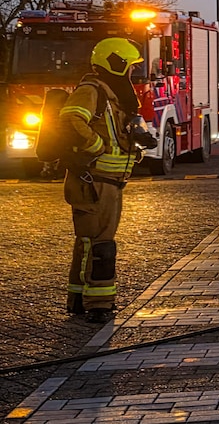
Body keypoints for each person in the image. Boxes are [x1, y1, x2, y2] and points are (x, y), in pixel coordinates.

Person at [61, 37, 154, 323]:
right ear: (116, 63)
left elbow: (111, 131)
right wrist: (96, 147)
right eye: (130, 66)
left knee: (88, 242)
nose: (132, 72)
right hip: (94, 181)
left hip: (106, 182)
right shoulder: (91, 91)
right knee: (100, 244)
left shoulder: (109, 95)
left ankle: (79, 299)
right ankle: (99, 305)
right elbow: (72, 120)